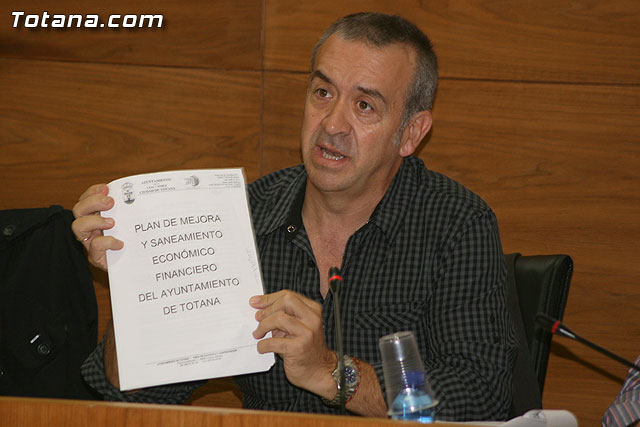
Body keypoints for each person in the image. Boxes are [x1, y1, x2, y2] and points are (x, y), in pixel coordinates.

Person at [72, 12, 517, 421]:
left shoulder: (457, 224)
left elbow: (478, 398)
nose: (333, 124)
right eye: (323, 93)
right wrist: (136, 282)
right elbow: (132, 396)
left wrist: (330, 371)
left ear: (411, 133)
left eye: (364, 106)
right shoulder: (241, 219)